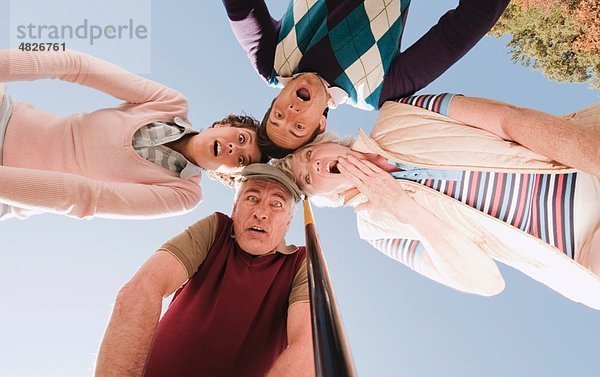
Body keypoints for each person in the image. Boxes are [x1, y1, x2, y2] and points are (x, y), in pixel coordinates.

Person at [274, 93, 600, 309]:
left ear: (325, 142)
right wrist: (403, 207)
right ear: (325, 198)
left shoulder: (400, 110)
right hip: (584, 252)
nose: (314, 166)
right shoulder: (377, 232)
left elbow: (509, 119)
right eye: (306, 178)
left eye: (308, 155)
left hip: (586, 160)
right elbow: (485, 282)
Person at [95, 163, 314, 377]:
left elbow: (307, 348)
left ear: (288, 222)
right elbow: (141, 291)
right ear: (235, 208)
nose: (261, 213)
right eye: (252, 198)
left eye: (276, 204)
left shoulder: (300, 263)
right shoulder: (216, 229)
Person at [0, 49, 266, 220]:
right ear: (224, 125)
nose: (235, 149)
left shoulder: (183, 194)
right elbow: (75, 64)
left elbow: (84, 197)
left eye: (242, 161)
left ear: (228, 176)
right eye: (242, 138)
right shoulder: (170, 103)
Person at [221, 0, 510, 156]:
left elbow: (240, 7)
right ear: (320, 125)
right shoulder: (377, 90)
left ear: (275, 101)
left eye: (278, 116)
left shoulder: (271, 63)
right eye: (298, 126)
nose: (291, 112)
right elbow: (454, 36)